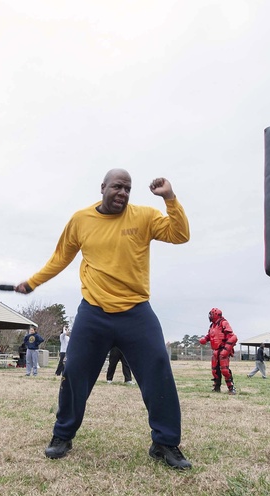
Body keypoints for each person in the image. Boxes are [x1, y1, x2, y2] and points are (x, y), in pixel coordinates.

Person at [15, 169, 192, 469]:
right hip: (94, 311)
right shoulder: (81, 220)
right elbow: (61, 257)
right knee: (75, 372)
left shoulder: (144, 216)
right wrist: (32, 282)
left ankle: (165, 442)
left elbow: (180, 234)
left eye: (128, 189)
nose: (122, 193)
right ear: (103, 188)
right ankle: (63, 435)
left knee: (158, 368)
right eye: (117, 187)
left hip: (136, 311)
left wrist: (170, 198)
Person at [199, 308, 238, 394]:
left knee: (224, 370)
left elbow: (233, 337)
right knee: (215, 370)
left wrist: (226, 350)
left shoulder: (223, 323)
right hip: (215, 351)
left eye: (211, 314)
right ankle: (217, 387)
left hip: (223, 349)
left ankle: (231, 388)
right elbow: (210, 335)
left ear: (216, 314)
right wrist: (204, 339)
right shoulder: (212, 325)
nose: (210, 316)